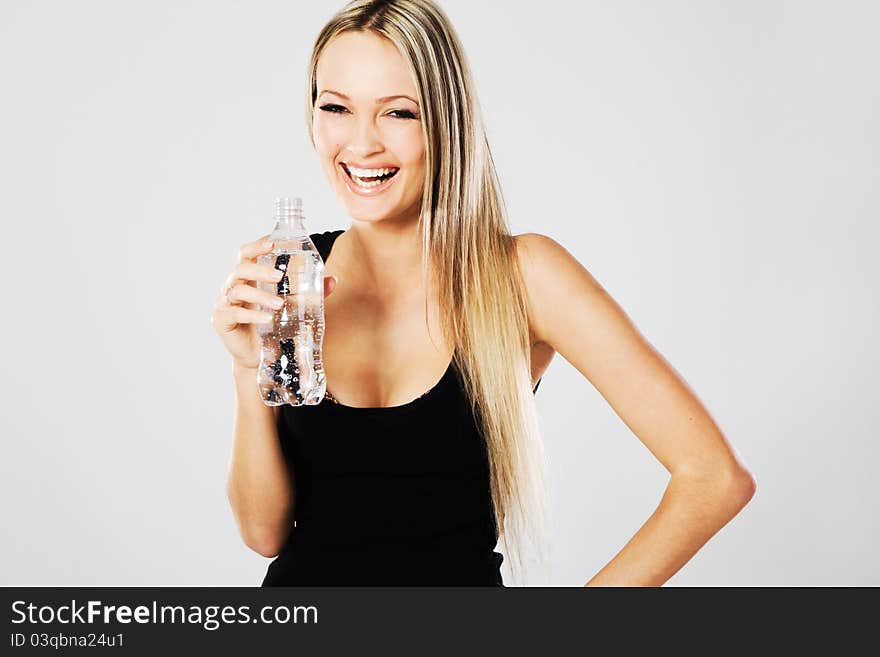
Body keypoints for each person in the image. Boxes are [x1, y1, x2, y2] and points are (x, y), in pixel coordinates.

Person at [211, 0, 756, 587]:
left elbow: (713, 478)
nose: (361, 143)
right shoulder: (291, 277)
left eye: (398, 113)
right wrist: (248, 371)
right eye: (336, 107)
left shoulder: (522, 276)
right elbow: (264, 533)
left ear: (447, 120)